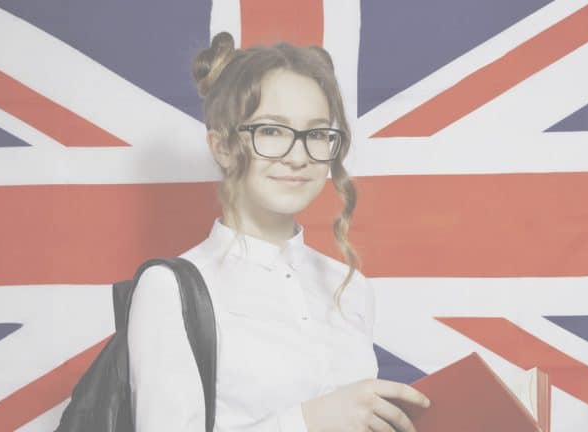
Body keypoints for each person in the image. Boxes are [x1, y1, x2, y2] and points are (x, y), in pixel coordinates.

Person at [127, 31, 430, 432]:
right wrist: (307, 421)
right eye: (272, 130)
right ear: (223, 147)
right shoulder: (172, 288)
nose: (299, 156)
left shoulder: (350, 287)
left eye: (318, 134)